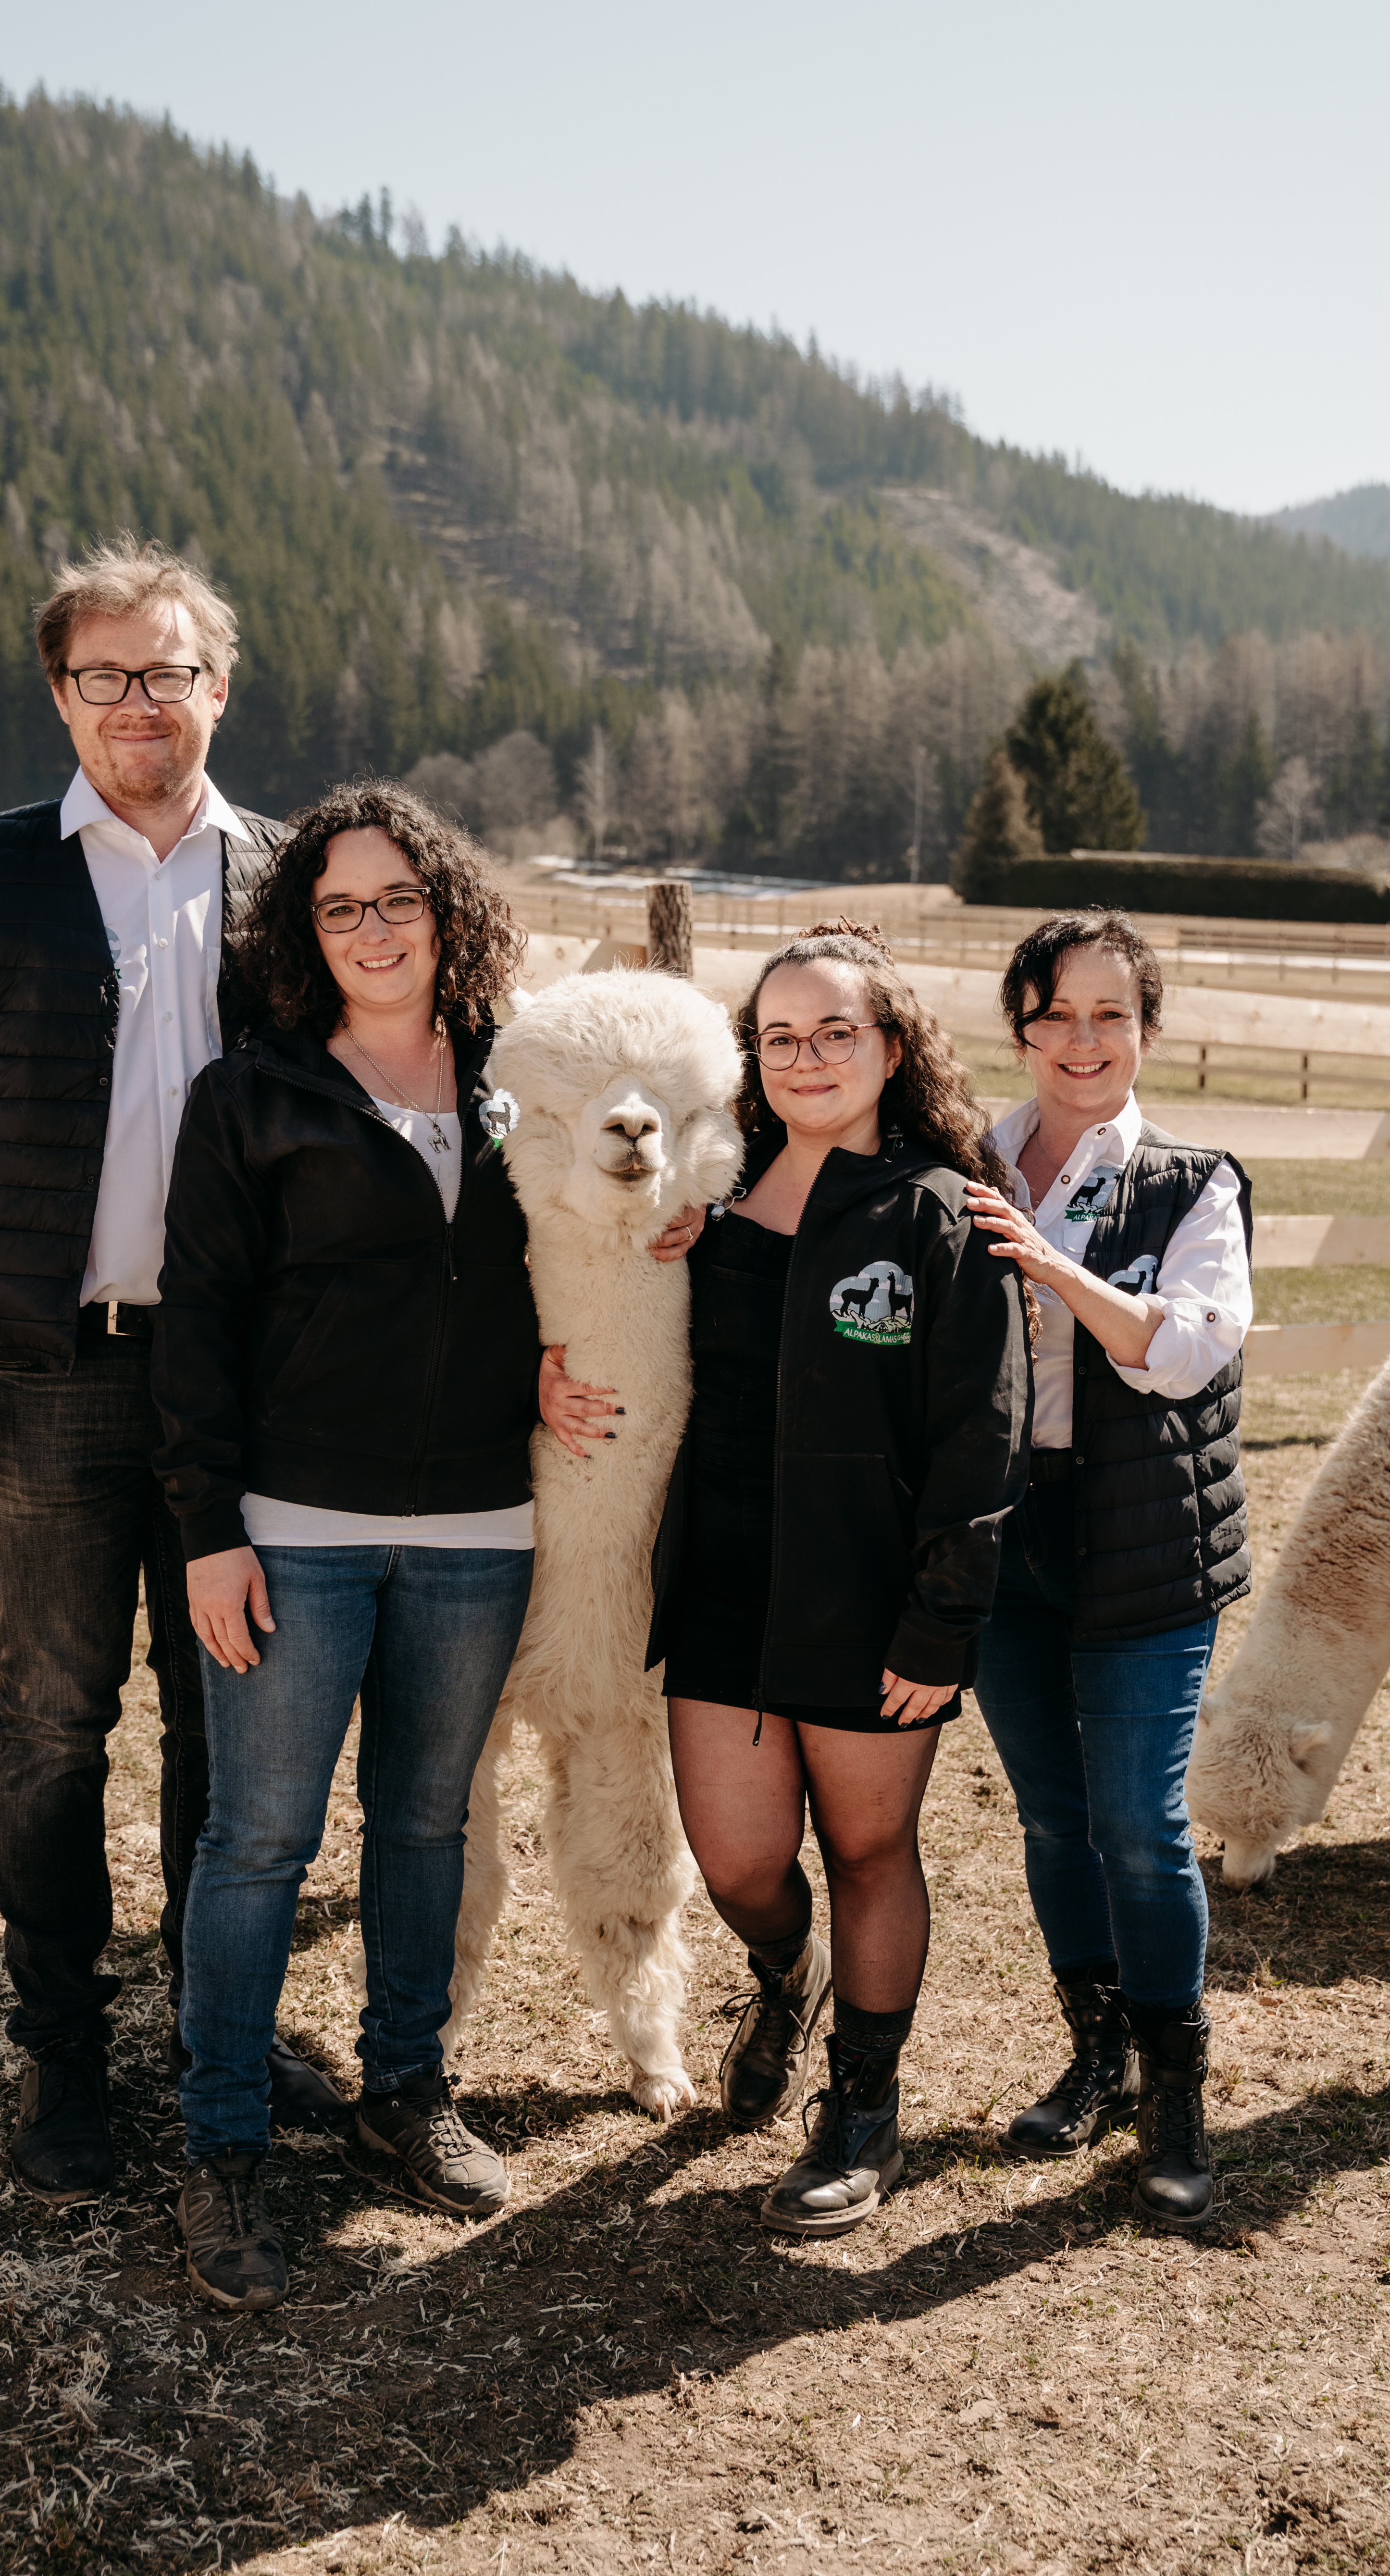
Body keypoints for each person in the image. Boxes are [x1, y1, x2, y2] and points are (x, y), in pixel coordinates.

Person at [0, 535, 349, 2206]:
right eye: (106, 676)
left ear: (221, 686)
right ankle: (64, 2052)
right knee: (58, 1720)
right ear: (63, 694)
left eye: (172, 672)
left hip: (248, 1387)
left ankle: (226, 2021)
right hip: (55, 1372)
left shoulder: (293, 881)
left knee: (239, 1718)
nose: (142, 703)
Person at [149, 781, 698, 2313]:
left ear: (445, 912)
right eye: (339, 906)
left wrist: (653, 1251)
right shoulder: (253, 1098)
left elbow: (566, 1245)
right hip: (298, 1528)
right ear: (300, 931)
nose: (373, 929)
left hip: (476, 1525)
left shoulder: (516, 1091)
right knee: (257, 1840)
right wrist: (209, 1533)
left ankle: (406, 2091)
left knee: (424, 1823)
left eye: (398, 899)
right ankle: (226, 2143)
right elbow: (198, 1328)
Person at [588, 920, 1031, 2241]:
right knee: (739, 1865)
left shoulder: (937, 1215)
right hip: (724, 1583)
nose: (809, 1056)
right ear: (753, 1060)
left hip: (870, 1599)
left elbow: (983, 1438)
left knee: (868, 1846)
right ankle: (789, 1976)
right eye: (781, 1037)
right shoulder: (708, 1214)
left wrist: (941, 1620)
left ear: (891, 1048)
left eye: (837, 1031)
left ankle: (863, 2105)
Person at [961, 908, 1253, 2232]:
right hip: (1004, 1538)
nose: (1085, 1042)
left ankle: (1176, 2092)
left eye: (1113, 1015)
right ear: (1022, 1022)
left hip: (1141, 1540)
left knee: (1142, 1826)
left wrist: (1047, 1262)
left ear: (1146, 1029)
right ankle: (1096, 2051)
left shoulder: (1195, 1184)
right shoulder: (966, 1162)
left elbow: (1185, 1351)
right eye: (1058, 1013)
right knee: (1052, 1815)